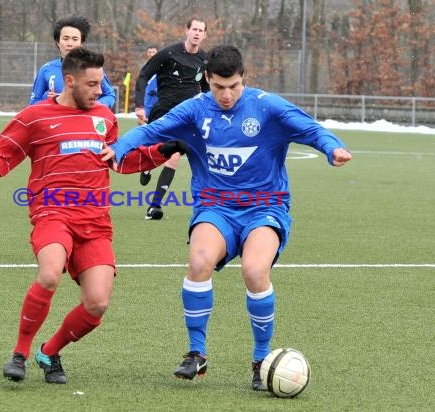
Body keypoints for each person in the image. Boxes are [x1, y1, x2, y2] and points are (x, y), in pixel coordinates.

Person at [103, 45, 352, 390]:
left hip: (264, 207)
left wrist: (332, 147)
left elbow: (310, 129)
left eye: (234, 86)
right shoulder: (193, 109)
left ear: (243, 79)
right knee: (199, 261)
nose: (226, 94)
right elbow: (151, 132)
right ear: (207, 79)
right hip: (215, 207)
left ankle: (261, 359)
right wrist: (119, 148)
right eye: (219, 87)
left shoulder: (267, 106)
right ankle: (196, 353)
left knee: (254, 270)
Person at [0, 47, 182, 384]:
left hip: (95, 221)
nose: (99, 91)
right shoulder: (35, 116)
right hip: (52, 211)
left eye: (100, 84)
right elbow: (4, 148)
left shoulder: (105, 117)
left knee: (97, 303)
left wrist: (162, 151)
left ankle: (49, 352)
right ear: (70, 81)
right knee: (50, 273)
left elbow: (121, 160)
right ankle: (20, 354)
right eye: (92, 84)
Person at [135, 18, 209, 220]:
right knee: (154, 151)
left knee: (174, 155)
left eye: (200, 30)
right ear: (187, 30)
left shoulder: (205, 60)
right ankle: (147, 166)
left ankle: (155, 205)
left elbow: (207, 88)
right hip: (163, 111)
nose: (196, 33)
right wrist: (139, 105)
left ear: (204, 35)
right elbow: (143, 75)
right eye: (194, 29)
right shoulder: (168, 53)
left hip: (186, 117)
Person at [29, 16, 116, 109]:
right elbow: (34, 102)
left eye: (75, 39)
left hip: (84, 121)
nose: (70, 43)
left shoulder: (93, 69)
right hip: (57, 121)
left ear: (81, 43)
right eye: (65, 39)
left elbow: (110, 95)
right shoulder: (46, 69)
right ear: (58, 42)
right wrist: (47, 100)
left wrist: (94, 106)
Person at [137, 45, 158, 126]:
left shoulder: (162, 68)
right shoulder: (144, 68)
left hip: (158, 101)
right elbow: (140, 86)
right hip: (146, 101)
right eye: (150, 52)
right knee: (142, 125)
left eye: (153, 52)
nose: (152, 54)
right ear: (147, 54)